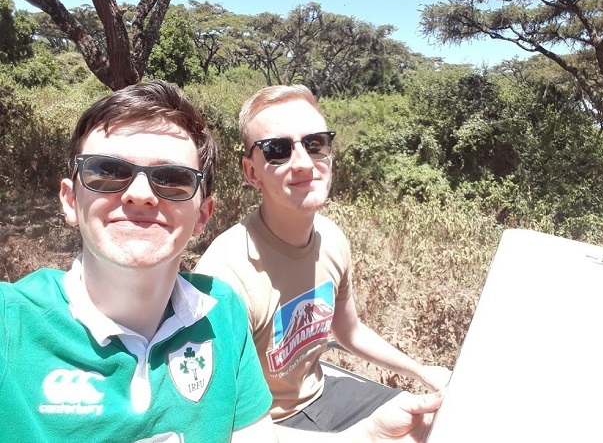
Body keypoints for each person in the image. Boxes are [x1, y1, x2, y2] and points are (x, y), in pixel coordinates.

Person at [0, 80, 442, 443]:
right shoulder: (13, 325)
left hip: (315, 395)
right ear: (70, 199)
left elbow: (254, 429)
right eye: (106, 171)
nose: (139, 193)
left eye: (172, 179)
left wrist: (412, 383)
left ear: (202, 215)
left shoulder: (216, 312)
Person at [194, 84, 452, 433]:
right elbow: (219, 423)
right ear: (251, 172)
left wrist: (423, 371)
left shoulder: (331, 238)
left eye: (315, 144)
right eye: (277, 150)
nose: (303, 163)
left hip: (322, 393)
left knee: (438, 426)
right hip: (266, 425)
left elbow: (350, 331)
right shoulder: (225, 276)